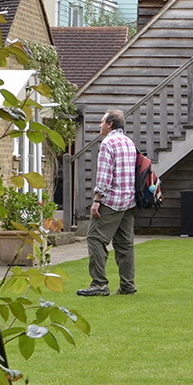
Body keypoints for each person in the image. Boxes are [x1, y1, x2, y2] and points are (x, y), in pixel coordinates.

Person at [78, 108, 138, 296]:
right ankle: (128, 285)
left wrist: (97, 199)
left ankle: (99, 284)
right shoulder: (129, 142)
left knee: (95, 238)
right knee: (125, 244)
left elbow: (104, 176)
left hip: (112, 201)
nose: (99, 125)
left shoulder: (108, 143)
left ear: (110, 124)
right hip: (129, 200)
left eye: (102, 121)